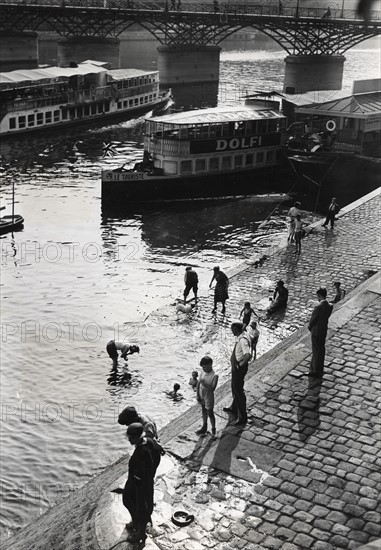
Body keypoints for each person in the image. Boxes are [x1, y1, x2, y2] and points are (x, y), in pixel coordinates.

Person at [122, 423, 164, 544]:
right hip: (137, 481)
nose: (129, 439)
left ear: (137, 437)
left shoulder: (143, 450)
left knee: (142, 507)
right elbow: (157, 446)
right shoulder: (147, 441)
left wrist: (139, 479)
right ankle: (136, 522)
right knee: (127, 499)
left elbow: (149, 465)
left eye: (131, 437)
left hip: (141, 484)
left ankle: (140, 534)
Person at [223, 322, 252, 426]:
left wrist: (240, 364)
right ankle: (234, 408)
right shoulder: (241, 337)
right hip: (235, 368)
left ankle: (242, 416)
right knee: (234, 388)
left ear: (236, 329)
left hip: (239, 369)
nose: (231, 331)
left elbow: (247, 355)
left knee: (239, 391)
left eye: (232, 329)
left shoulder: (242, 340)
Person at [308, 288, 333, 378]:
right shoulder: (330, 306)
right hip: (323, 330)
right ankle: (320, 369)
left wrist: (310, 327)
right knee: (321, 349)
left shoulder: (318, 307)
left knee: (315, 351)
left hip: (316, 331)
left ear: (319, 295)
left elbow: (312, 320)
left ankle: (314, 370)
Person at [196, 356, 219, 439]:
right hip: (202, 394)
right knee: (203, 410)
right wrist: (197, 394)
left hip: (209, 396)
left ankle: (213, 430)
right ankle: (204, 426)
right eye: (202, 367)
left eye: (205, 367)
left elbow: (212, 388)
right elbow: (199, 383)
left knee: (210, 413)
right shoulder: (202, 372)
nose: (203, 369)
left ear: (210, 365)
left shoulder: (214, 376)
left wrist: (204, 383)